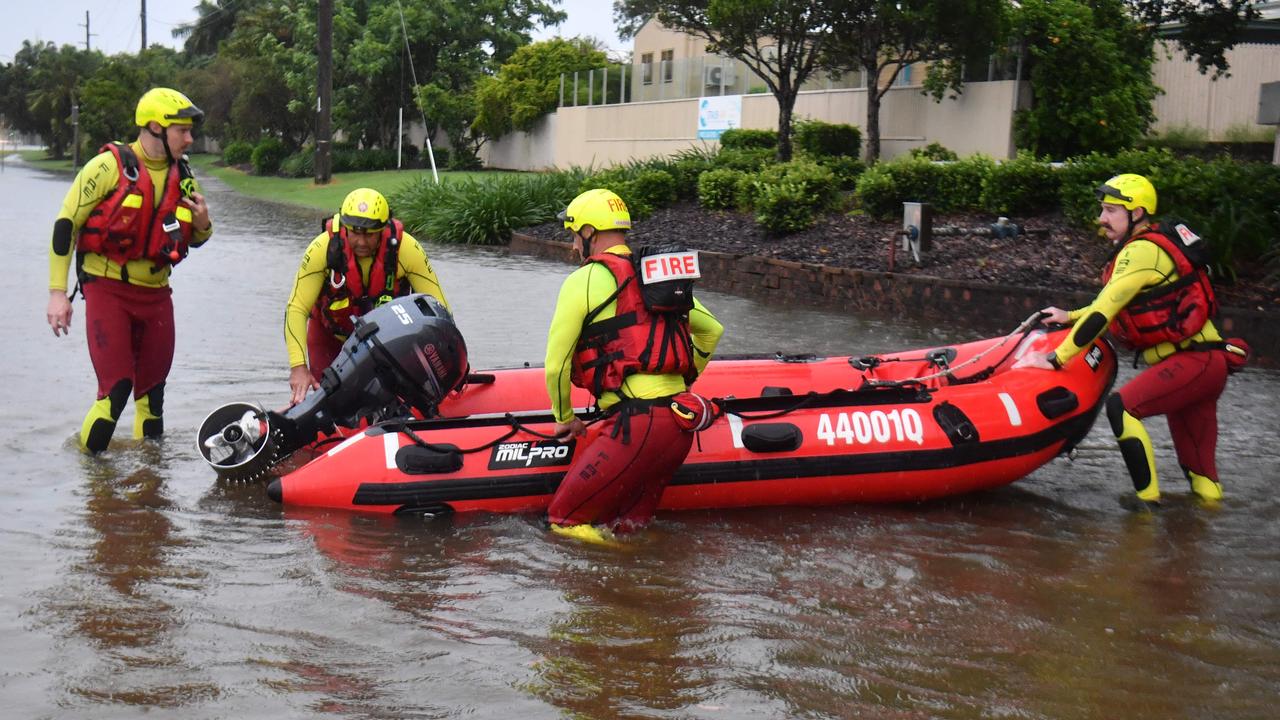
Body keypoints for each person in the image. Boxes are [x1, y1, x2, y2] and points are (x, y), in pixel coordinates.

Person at [1016, 173, 1248, 503]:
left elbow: (1105, 312)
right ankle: (1203, 527)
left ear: (1136, 213)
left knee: (1121, 408)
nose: (1102, 219)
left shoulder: (1140, 251)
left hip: (1193, 363)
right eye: (1102, 210)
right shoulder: (1148, 246)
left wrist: (1056, 358)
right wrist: (1069, 316)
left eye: (1110, 211)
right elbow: (1107, 303)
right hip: (1204, 365)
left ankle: (1145, 507)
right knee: (1202, 478)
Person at [544, 188, 724, 542]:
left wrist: (564, 418)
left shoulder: (583, 280)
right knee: (630, 528)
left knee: (563, 521)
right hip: (678, 426)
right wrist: (685, 380)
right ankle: (640, 583)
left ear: (588, 232)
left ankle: (624, 571)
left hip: (637, 426)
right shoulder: (656, 276)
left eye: (574, 235)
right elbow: (711, 331)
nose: (573, 246)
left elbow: (557, 364)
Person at [46, 87, 213, 454]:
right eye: (182, 130)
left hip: (156, 295)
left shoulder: (183, 175)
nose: (190, 138)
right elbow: (65, 225)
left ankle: (150, 487)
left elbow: (198, 236)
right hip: (108, 291)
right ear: (155, 127)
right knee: (116, 389)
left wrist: (202, 222)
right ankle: (92, 484)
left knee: (153, 396)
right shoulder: (107, 167)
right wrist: (58, 294)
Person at [283, 187, 449, 405]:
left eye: (370, 235)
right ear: (344, 227)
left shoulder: (407, 249)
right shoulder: (321, 249)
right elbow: (296, 308)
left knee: (389, 398)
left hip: (389, 343)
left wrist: (450, 358)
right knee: (331, 401)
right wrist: (298, 367)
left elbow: (438, 308)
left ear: (383, 228)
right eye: (355, 233)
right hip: (329, 338)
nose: (361, 242)